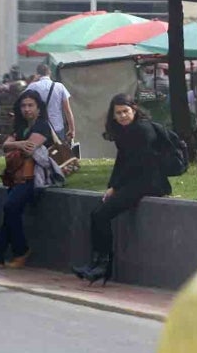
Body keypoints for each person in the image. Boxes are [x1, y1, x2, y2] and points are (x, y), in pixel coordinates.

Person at [71, 94, 172, 285]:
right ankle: (97, 263)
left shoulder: (141, 130)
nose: (123, 115)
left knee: (101, 215)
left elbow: (135, 163)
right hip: (136, 182)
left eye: (126, 111)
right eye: (118, 113)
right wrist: (112, 186)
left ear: (134, 110)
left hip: (150, 183)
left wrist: (116, 187)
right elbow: (122, 161)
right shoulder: (126, 131)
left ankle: (103, 265)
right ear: (113, 116)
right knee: (98, 214)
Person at [0, 89, 53, 269]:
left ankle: (21, 250)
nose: (27, 109)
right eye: (23, 106)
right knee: (10, 214)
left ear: (39, 109)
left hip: (33, 177)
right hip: (17, 176)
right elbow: (5, 146)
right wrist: (17, 143)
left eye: (30, 106)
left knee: (10, 208)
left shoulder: (42, 126)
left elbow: (29, 148)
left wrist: (15, 144)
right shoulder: (20, 127)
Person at [26, 63, 76, 142]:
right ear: (49, 73)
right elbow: (67, 110)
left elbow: (22, 99)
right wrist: (72, 129)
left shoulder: (33, 86)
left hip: (39, 127)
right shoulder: (60, 87)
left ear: (37, 73)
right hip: (57, 127)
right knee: (59, 152)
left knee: (40, 153)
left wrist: (33, 81)